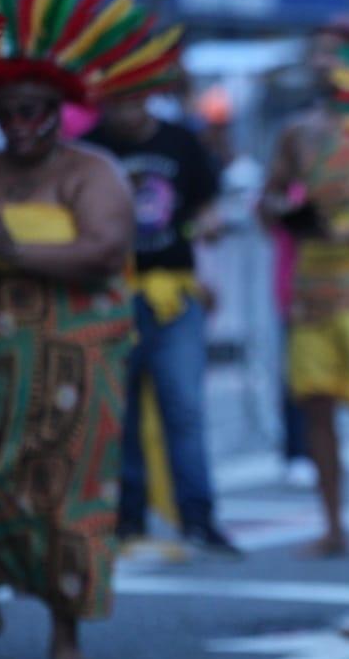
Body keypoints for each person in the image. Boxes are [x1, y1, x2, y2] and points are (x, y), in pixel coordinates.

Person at [0, 0, 158, 659]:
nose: (22, 123)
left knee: (68, 491)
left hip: (76, 364)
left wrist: (19, 251)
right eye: (9, 111)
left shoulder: (90, 170)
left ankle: (65, 630)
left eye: (36, 108)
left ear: (57, 109)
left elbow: (104, 252)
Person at [259, 25, 349, 556]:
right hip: (312, 286)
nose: (323, 63)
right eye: (317, 53)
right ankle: (333, 526)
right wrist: (285, 213)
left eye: (333, 53)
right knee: (316, 409)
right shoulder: (297, 132)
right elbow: (269, 197)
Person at [83, 87, 238, 555]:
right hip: (111, 297)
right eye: (115, 99)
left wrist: (210, 228)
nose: (123, 108)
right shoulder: (91, 149)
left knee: (184, 408)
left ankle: (199, 518)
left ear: (147, 94)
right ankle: (127, 520)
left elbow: (207, 205)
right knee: (120, 413)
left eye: (131, 98)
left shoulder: (180, 141)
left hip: (175, 296)